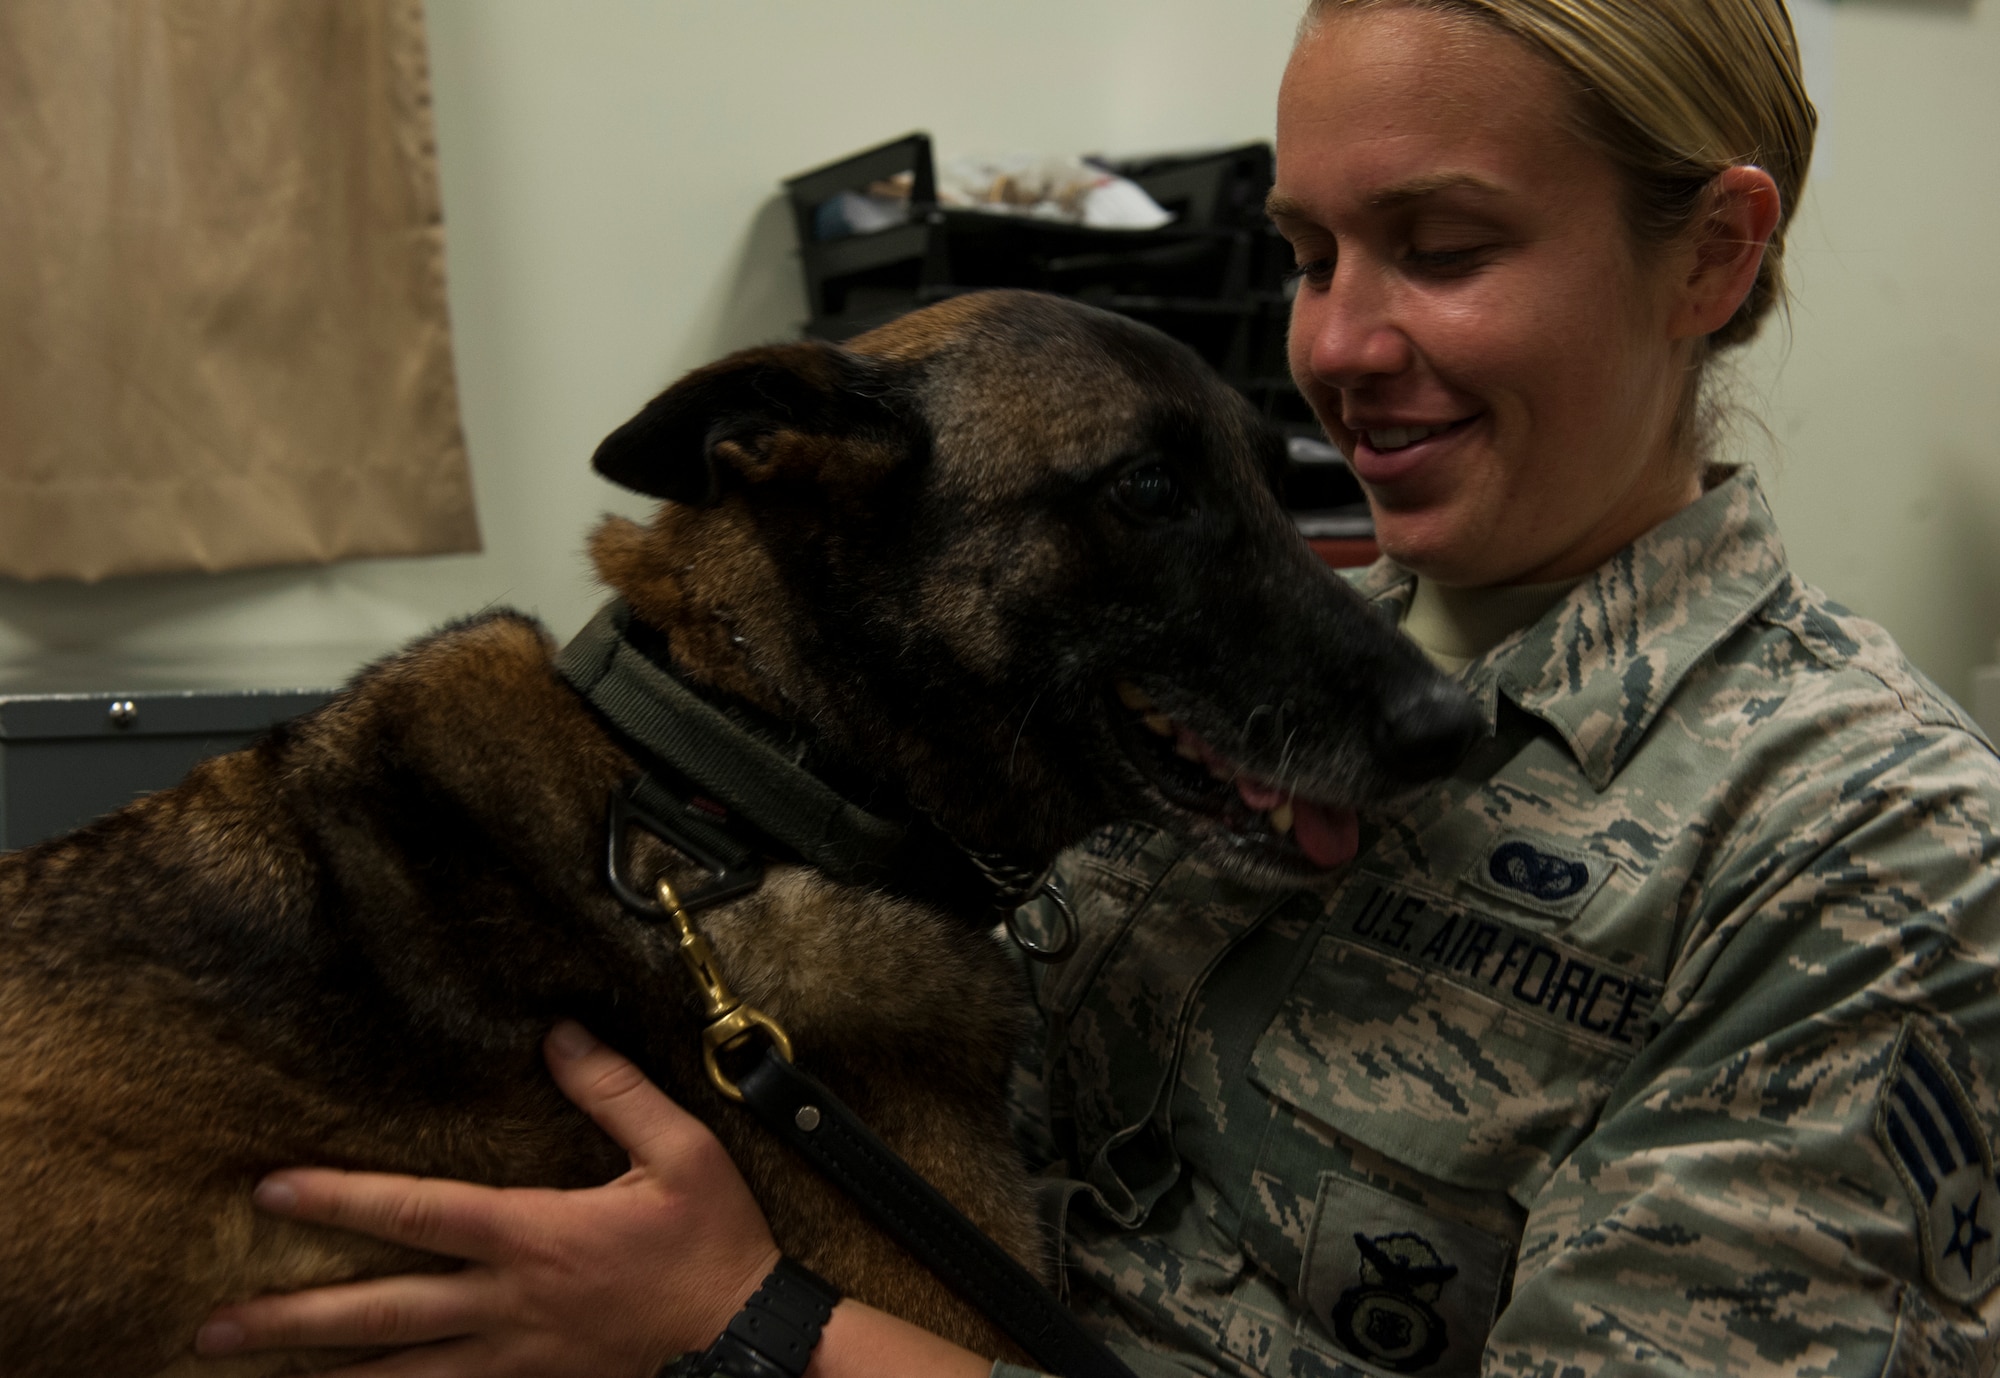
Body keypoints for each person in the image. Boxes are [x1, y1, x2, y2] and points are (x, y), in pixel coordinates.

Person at [197, 0, 2000, 1374]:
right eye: (1306, 257)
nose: (1339, 350)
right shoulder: (1184, 651)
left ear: (1712, 251)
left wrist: (753, 1324)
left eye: (1444, 250)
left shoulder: (1873, 853)